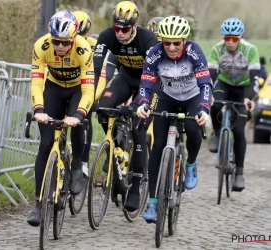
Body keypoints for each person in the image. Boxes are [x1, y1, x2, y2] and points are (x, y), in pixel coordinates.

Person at [136, 16, 212, 222]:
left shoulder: (194, 51)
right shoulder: (155, 53)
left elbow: (205, 83)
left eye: (176, 43)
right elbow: (146, 83)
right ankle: (152, 202)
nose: (170, 47)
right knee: (158, 145)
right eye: (166, 42)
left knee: (193, 127)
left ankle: (191, 163)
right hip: (168, 97)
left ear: (184, 41)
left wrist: (204, 109)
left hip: (192, 97)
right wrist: (143, 103)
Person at [27, 10, 94, 227]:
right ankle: (38, 203)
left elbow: (88, 91)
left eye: (65, 42)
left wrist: (78, 115)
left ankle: (76, 165)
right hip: (53, 88)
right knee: (45, 143)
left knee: (77, 126)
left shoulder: (84, 49)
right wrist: (38, 109)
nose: (61, 47)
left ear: (74, 38)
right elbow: (37, 82)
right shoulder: (41, 46)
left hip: (77, 90)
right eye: (56, 41)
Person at [93, 1, 158, 212]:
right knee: (104, 106)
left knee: (139, 123)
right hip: (126, 77)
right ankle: (116, 145)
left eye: (125, 28)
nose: (120, 33)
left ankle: (137, 186)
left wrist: (140, 103)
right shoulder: (106, 36)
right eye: (116, 27)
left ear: (135, 25)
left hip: (149, 82)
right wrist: (90, 99)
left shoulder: (148, 39)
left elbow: (153, 75)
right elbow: (95, 71)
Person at [207, 17, 258, 192]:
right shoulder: (217, 49)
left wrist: (249, 97)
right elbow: (211, 75)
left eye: (234, 39)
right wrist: (210, 95)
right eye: (227, 38)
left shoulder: (251, 50)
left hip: (243, 88)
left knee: (238, 131)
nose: (230, 42)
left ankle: (239, 174)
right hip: (224, 84)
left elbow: (255, 78)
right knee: (214, 102)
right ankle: (217, 131)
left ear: (240, 37)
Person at [73, 10, 106, 175]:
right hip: (68, 86)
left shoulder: (94, 44)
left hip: (89, 86)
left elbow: (102, 74)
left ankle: (83, 160)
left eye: (83, 35)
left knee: (84, 119)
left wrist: (94, 97)